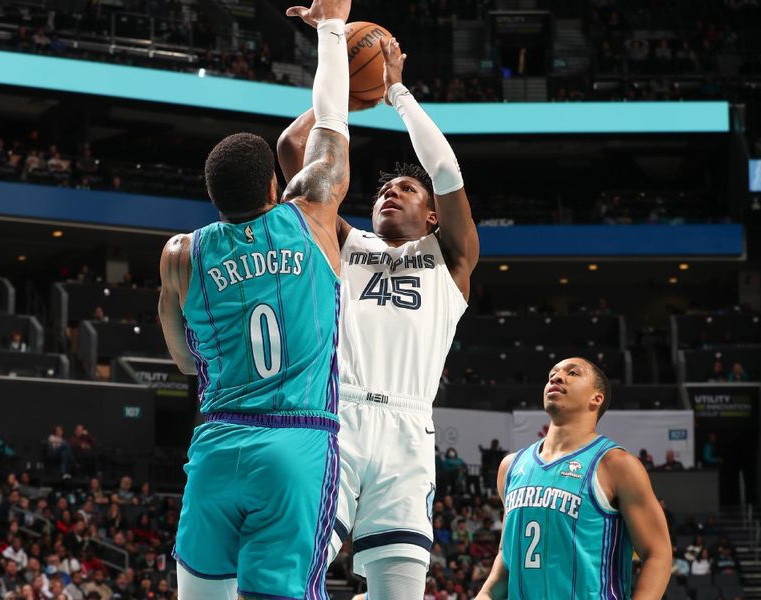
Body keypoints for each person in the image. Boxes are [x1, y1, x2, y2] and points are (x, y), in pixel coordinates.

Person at [158, 0, 351, 596]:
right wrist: (332, 29)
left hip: (217, 443)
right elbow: (330, 127)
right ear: (276, 184)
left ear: (213, 198)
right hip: (297, 442)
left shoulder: (181, 254)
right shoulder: (313, 218)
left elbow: (186, 362)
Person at [276, 37, 478, 600]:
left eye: (407, 189)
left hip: (410, 433)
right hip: (336, 418)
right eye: (385, 188)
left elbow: (445, 166)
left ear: (433, 213)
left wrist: (394, 92)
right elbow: (294, 145)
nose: (391, 192)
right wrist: (344, 93)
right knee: (292, 576)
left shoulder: (451, 260)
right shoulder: (343, 240)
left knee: (399, 592)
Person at [475, 357, 671, 599]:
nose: (556, 377)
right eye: (552, 374)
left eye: (573, 373)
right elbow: (506, 561)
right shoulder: (511, 466)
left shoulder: (616, 465)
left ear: (596, 398)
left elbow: (658, 554)